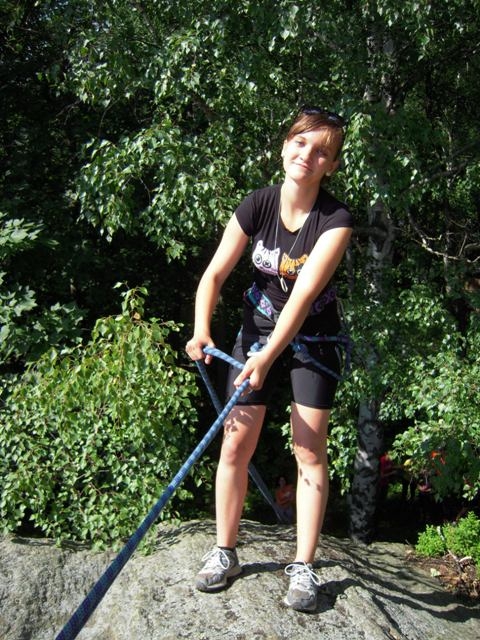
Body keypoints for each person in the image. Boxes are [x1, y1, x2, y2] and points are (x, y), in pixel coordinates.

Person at [185, 105, 353, 612]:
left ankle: (302, 566)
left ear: (331, 165)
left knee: (308, 450)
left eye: (321, 151)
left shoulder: (336, 221)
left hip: (313, 338)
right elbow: (214, 274)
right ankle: (225, 550)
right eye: (300, 143)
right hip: (257, 328)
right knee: (235, 443)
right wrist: (201, 329)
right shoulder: (257, 204)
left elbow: (301, 299)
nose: (308, 155)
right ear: (284, 148)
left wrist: (265, 358)